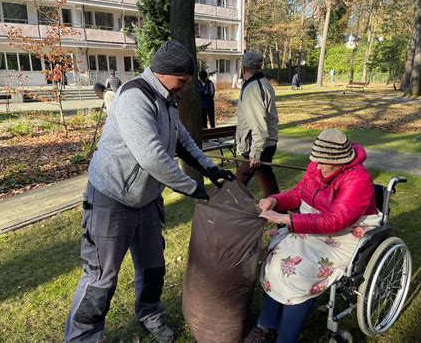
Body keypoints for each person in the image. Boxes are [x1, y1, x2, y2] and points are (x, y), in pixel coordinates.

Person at [65, 40, 235, 342]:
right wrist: (193, 188)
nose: (184, 88)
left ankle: (150, 315)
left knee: (153, 267)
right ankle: (83, 337)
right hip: (111, 198)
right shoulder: (134, 98)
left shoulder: (167, 100)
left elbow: (182, 141)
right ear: (163, 73)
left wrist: (210, 169)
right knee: (100, 278)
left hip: (146, 200)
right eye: (182, 81)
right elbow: (153, 156)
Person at [244, 129, 382, 343]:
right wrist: (275, 201)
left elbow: (337, 221)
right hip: (311, 227)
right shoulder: (317, 166)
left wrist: (287, 220)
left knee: (298, 273)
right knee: (274, 259)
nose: (316, 166)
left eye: (322, 163)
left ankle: (286, 337)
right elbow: (300, 194)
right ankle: (266, 326)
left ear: (339, 162)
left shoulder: (358, 179)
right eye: (315, 161)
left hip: (342, 236)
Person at [235, 51, 280, 197]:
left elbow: (259, 123)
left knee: (238, 184)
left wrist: (256, 152)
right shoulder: (263, 84)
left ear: (244, 67)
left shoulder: (253, 89)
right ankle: (281, 217)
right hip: (263, 145)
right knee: (267, 185)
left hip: (258, 147)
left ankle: (222, 209)